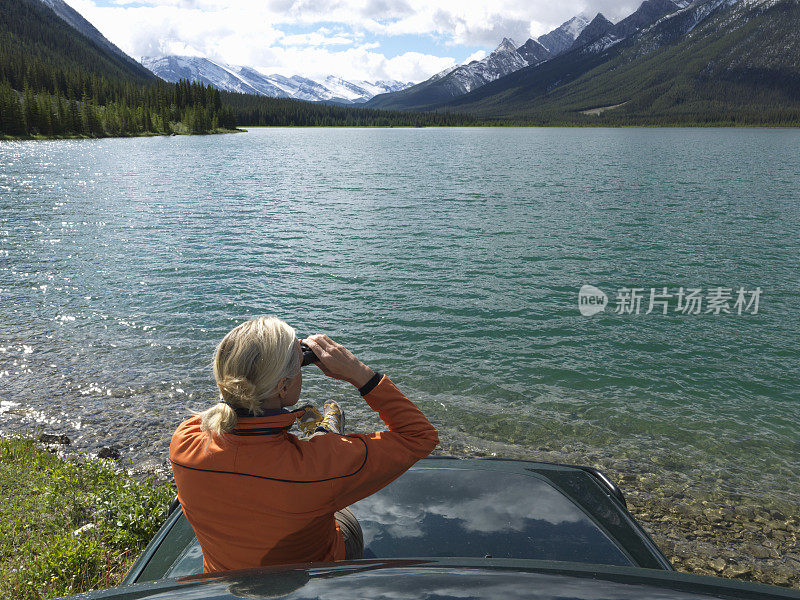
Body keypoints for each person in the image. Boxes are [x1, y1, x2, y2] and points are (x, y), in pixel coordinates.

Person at [169, 316, 439, 573]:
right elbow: (419, 437)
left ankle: (319, 435)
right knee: (338, 501)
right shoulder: (321, 466)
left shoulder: (185, 440)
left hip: (226, 580)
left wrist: (271, 364)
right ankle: (323, 434)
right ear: (283, 388)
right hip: (313, 574)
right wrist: (358, 373)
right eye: (301, 365)